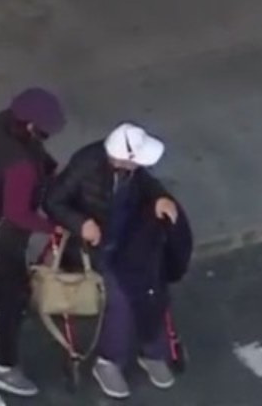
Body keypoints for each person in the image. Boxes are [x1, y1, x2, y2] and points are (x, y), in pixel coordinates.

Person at [43, 122, 194, 399]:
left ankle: (153, 351)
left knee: (154, 286)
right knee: (122, 298)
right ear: (123, 157)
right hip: (91, 247)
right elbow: (53, 201)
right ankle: (108, 361)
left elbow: (149, 185)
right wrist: (82, 223)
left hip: (128, 238)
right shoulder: (85, 164)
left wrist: (161, 199)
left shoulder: (132, 171)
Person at [0, 88, 67, 398]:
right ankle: (6, 368)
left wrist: (50, 169)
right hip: (2, 226)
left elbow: (38, 155)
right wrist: (53, 227)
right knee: (15, 292)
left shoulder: (5, 122)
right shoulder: (19, 166)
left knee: (2, 262)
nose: (47, 133)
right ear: (31, 125)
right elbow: (18, 214)